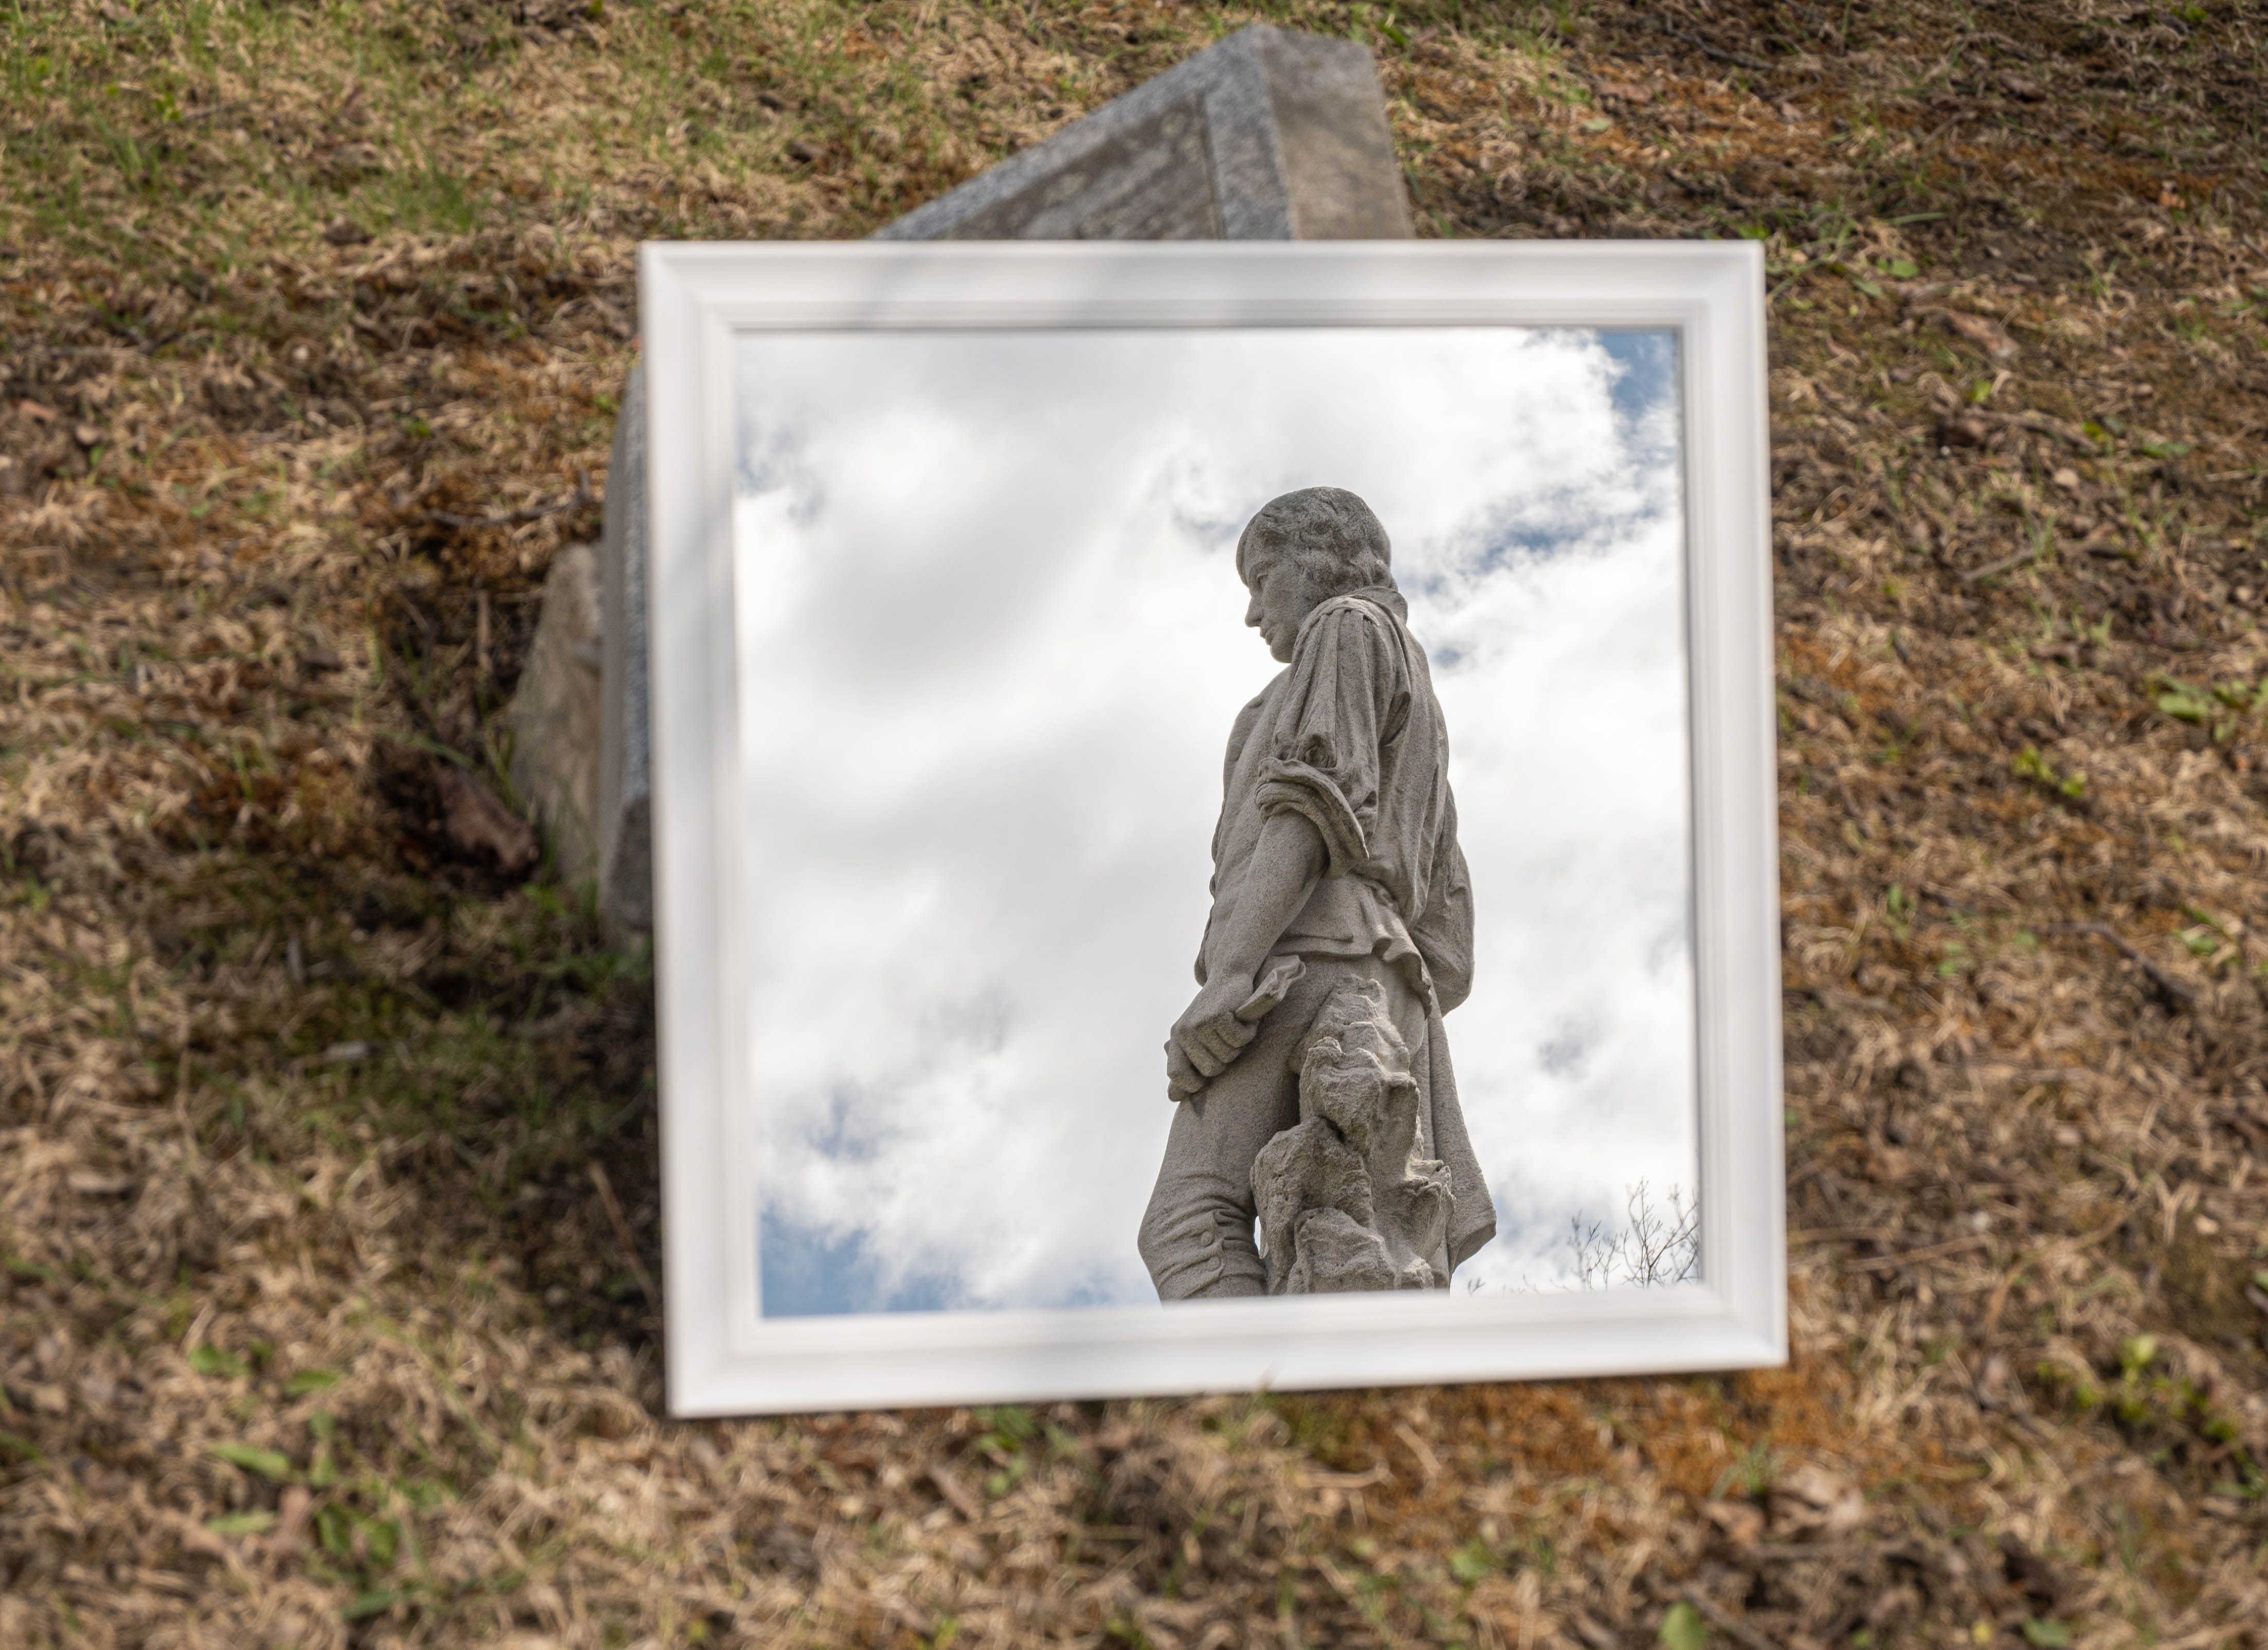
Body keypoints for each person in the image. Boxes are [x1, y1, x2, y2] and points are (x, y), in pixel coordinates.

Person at [1138, 486, 1494, 1299]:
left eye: (1262, 579)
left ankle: (1253, 1402)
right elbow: (1451, 938)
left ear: (1315, 562)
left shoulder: (1346, 628)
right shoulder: (1416, 701)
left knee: (1189, 1217)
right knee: (1332, 1230)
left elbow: (1313, 803)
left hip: (1299, 958)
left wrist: (1231, 972)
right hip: (1388, 981)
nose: (1254, 612)